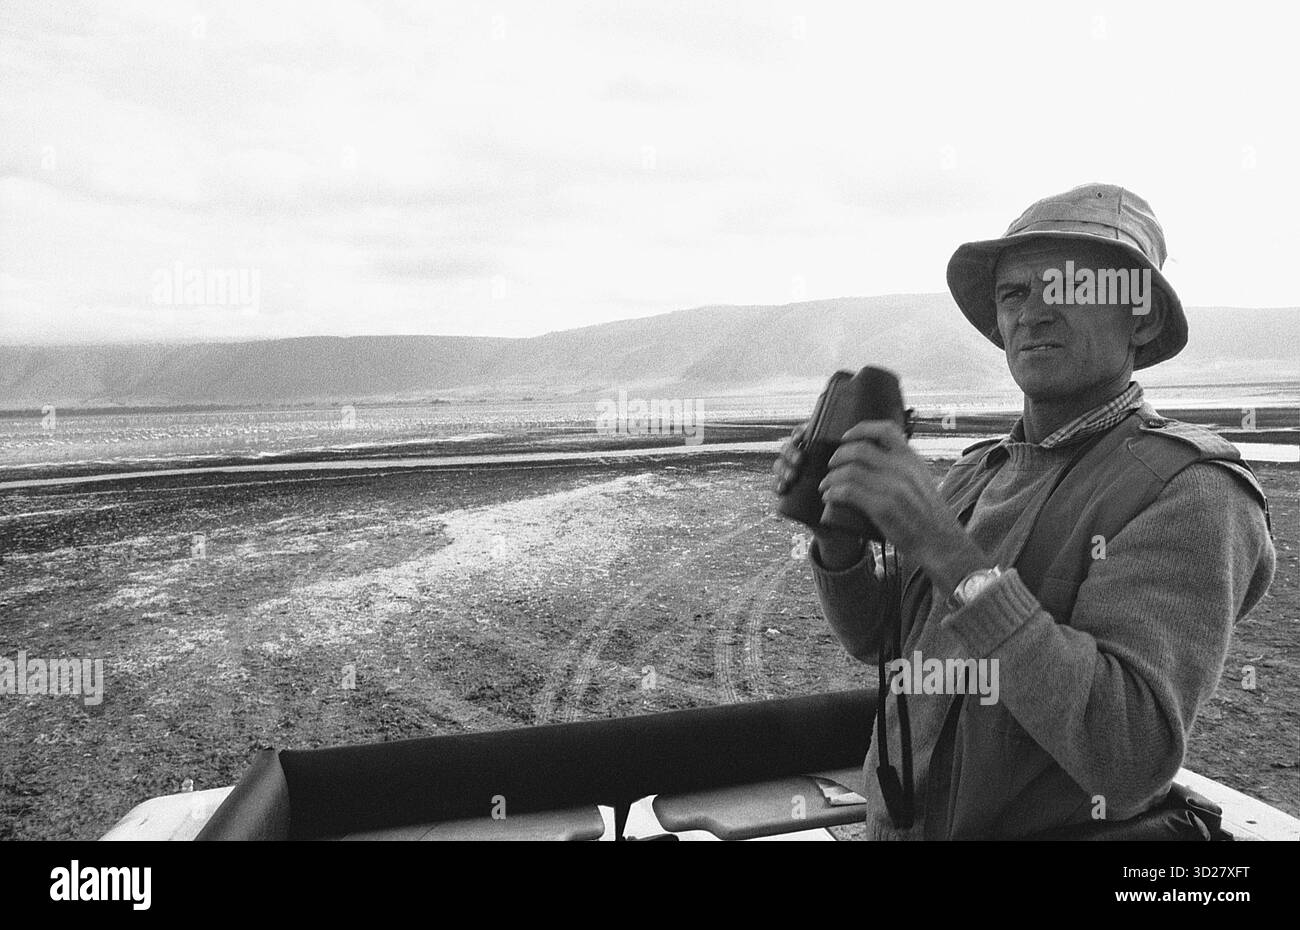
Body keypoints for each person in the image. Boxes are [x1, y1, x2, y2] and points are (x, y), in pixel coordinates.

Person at [772, 183, 1276, 840]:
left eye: (1071, 287)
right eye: (1015, 293)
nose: (1034, 312)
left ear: (1142, 319)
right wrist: (837, 537)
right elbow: (883, 643)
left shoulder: (1191, 490)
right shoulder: (984, 471)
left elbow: (1127, 756)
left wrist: (940, 543)